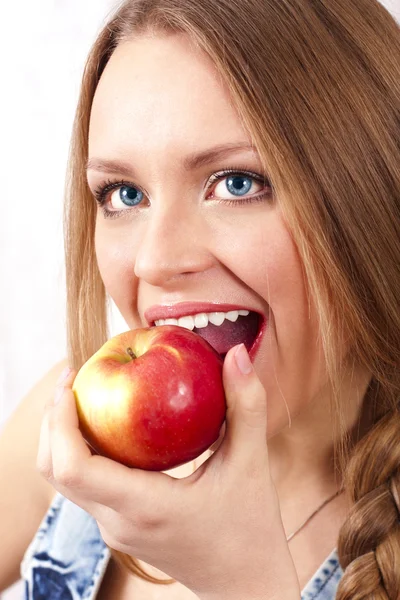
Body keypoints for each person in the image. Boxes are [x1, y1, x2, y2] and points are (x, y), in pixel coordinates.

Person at [1, 0, 399, 598]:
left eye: (237, 184)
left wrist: (240, 580)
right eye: (124, 194)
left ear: (371, 196)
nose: (154, 261)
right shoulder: (71, 439)